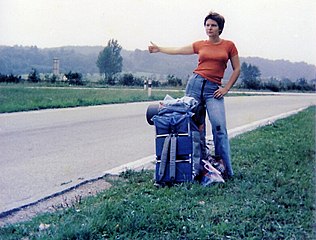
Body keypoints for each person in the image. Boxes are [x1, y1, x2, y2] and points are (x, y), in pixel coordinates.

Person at [148, 11, 240, 178]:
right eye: (207, 25)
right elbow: (178, 50)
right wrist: (159, 49)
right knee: (195, 127)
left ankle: (226, 170)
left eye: (213, 25)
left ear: (220, 28)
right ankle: (197, 167)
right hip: (195, 85)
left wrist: (226, 88)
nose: (209, 28)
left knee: (219, 128)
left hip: (214, 90)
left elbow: (237, 69)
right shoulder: (200, 45)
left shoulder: (229, 45)